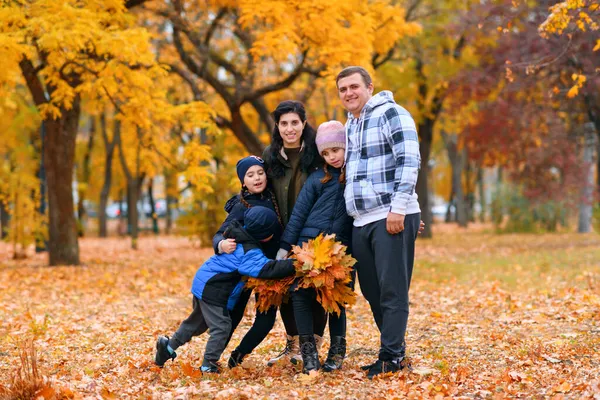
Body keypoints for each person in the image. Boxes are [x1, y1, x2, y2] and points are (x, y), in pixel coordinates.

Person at [336, 66, 421, 379]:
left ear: (369, 87)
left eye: (354, 86)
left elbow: (409, 160)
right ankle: (394, 350)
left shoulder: (391, 114)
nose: (349, 93)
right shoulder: (351, 124)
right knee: (372, 291)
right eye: (343, 89)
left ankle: (391, 357)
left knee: (392, 290)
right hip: (362, 221)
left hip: (389, 216)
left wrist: (401, 208)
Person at [230, 100, 326, 367]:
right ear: (278, 127)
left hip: (314, 232)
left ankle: (312, 346)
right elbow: (257, 188)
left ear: (304, 124)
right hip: (281, 232)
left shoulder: (318, 153)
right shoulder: (270, 155)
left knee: (314, 289)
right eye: (284, 123)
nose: (289, 128)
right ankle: (292, 345)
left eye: (295, 122)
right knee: (283, 288)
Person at [154, 207, 296, 373]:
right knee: (221, 328)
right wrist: (294, 263)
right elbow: (267, 268)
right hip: (213, 289)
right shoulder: (249, 251)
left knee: (196, 324)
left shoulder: (237, 235)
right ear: (264, 236)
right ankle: (208, 365)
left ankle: (167, 348)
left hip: (203, 283)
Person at [276, 120, 354, 374]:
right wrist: (286, 246)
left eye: (336, 150)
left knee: (337, 300)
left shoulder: (355, 175)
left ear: (346, 147)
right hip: (310, 246)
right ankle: (309, 352)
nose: (332, 157)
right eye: (326, 153)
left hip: (341, 249)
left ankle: (337, 351)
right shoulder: (317, 178)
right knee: (300, 293)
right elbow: (298, 214)